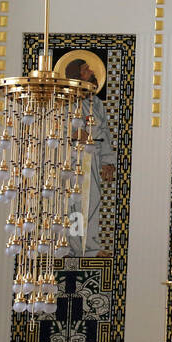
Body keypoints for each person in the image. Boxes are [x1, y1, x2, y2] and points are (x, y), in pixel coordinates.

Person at [64, 57, 115, 256]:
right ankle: (74, 247)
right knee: (74, 204)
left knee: (92, 201)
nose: (91, 72)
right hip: (72, 160)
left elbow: (104, 135)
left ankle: (89, 246)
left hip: (91, 160)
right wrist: (75, 134)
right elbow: (54, 131)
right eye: (86, 70)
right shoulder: (63, 102)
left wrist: (108, 162)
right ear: (77, 76)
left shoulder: (97, 104)